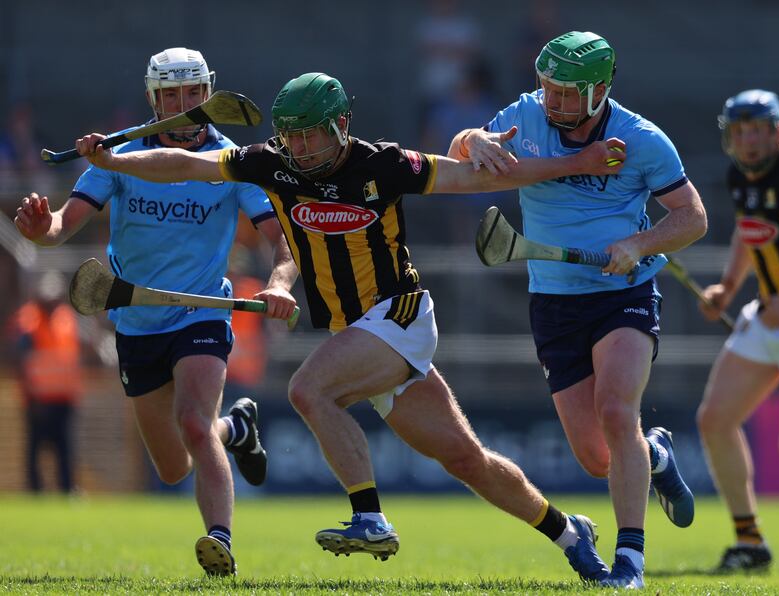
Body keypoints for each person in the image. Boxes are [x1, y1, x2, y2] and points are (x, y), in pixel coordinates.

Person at [70, 71, 628, 583]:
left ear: (341, 125)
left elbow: (469, 179)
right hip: (357, 333)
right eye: (292, 135)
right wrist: (115, 163)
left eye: (313, 134)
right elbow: (186, 166)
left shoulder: (383, 164)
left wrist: (575, 163)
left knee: (307, 390)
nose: (302, 147)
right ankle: (569, 533)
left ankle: (369, 518)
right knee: (468, 460)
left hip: (400, 314)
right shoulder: (273, 162)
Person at [14, 47, 297, 577]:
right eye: (170, 95)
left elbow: (282, 245)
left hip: (201, 313)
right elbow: (61, 225)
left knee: (192, 421)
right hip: (136, 318)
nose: (182, 105)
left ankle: (220, 540)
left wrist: (280, 285)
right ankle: (235, 430)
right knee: (171, 468)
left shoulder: (233, 162)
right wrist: (41, 228)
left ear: (208, 94)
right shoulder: (118, 157)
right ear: (154, 98)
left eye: (192, 93)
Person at [449, 31, 707, 589]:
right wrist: (472, 139)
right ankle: (656, 455)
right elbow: (460, 155)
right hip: (555, 301)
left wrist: (639, 245)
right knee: (597, 457)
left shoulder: (642, 139)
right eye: (549, 89)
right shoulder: (525, 114)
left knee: (618, 413)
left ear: (600, 90)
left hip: (625, 294)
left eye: (569, 93)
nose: (555, 103)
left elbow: (692, 217)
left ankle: (630, 562)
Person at [696, 89, 779, 572]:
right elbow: (748, 229)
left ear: (778, 132)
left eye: (758, 129)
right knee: (714, 420)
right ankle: (749, 542)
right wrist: (728, 286)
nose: (750, 140)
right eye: (740, 132)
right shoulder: (740, 176)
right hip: (768, 319)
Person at [11, 270, 83, 493]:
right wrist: (31, 394)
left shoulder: (66, 318)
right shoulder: (29, 320)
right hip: (38, 400)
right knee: (36, 448)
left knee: (66, 448)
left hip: (64, 398)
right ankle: (35, 490)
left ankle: (68, 488)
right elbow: (22, 361)